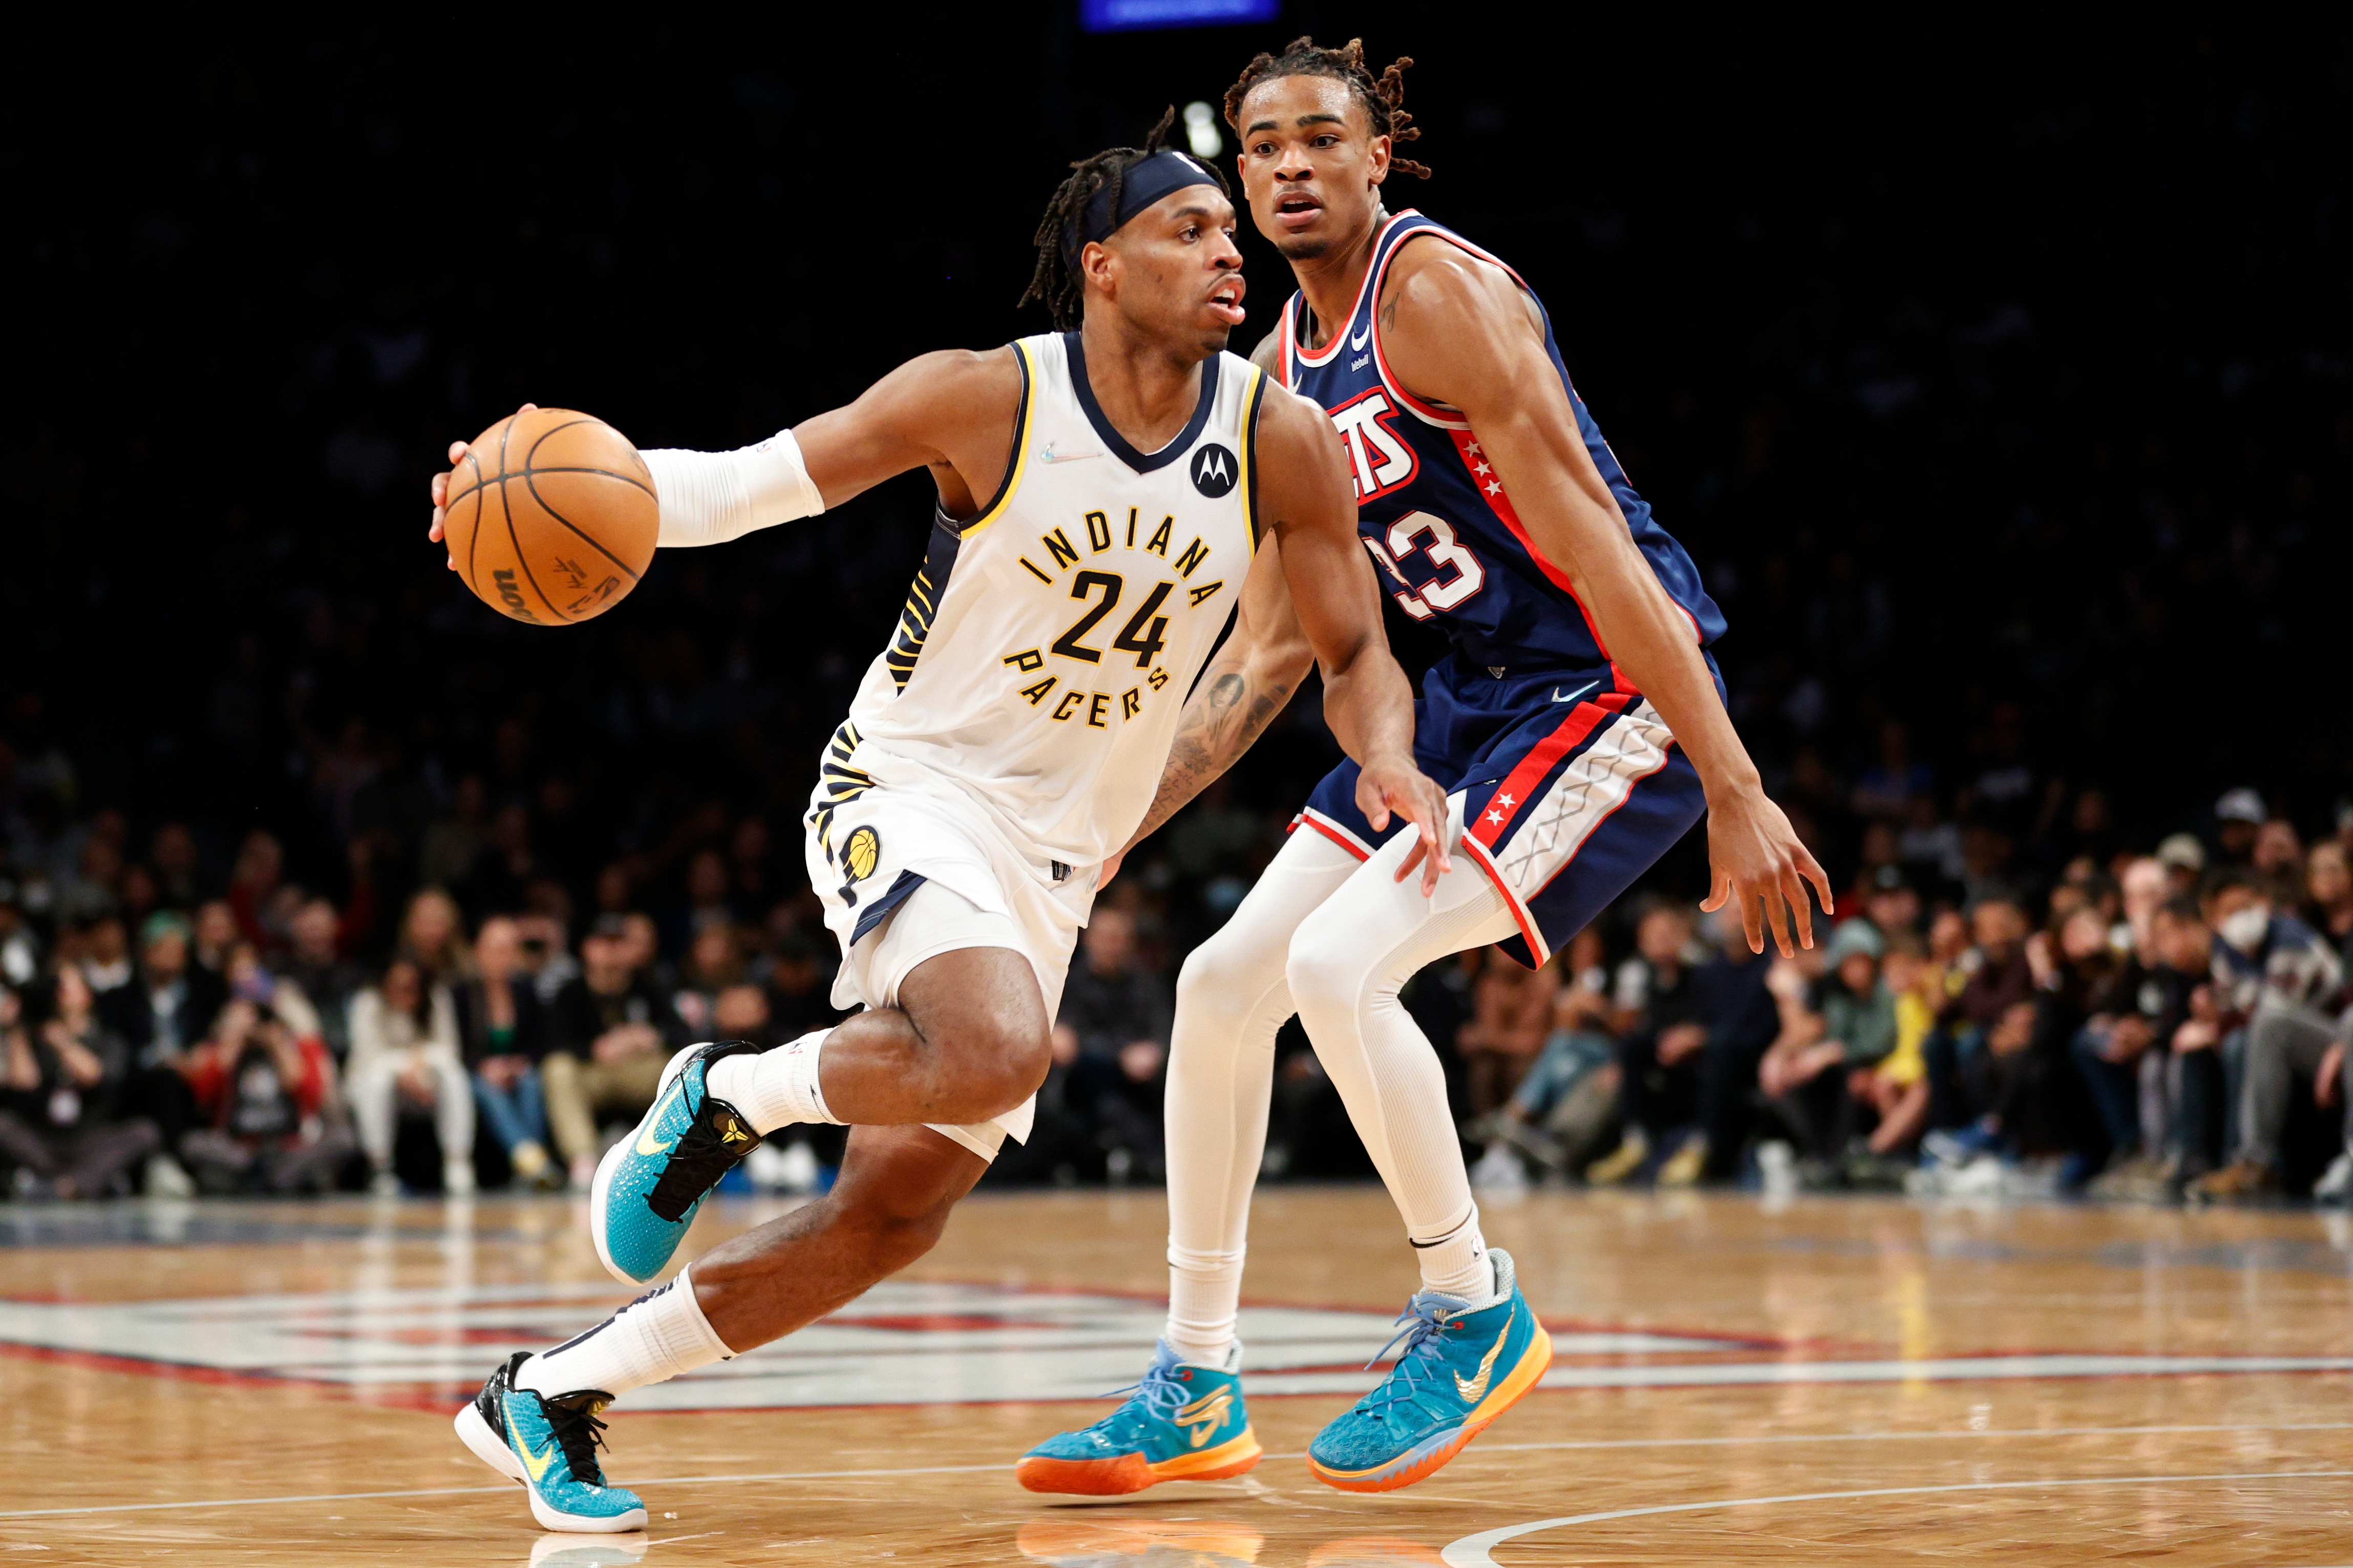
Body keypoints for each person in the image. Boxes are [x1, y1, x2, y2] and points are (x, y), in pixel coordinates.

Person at [428, 114, 1446, 1534]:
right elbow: (731, 486)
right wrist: (511, 471)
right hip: (910, 786)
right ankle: (725, 1093)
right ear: (1100, 264)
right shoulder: (983, 398)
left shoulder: (1279, 441)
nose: (1230, 250)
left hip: (1054, 859)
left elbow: (1346, 655)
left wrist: (1388, 749)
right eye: (1189, 228)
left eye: (1231, 232)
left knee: (890, 1216)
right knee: (992, 1045)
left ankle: (547, 1392)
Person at [1024, 38, 1828, 1498]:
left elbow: (1592, 535)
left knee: (1340, 966)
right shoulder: (1273, 373)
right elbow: (1271, 653)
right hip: (1464, 699)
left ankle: (1472, 1302)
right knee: (1221, 984)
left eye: (1318, 140)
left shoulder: (1437, 295)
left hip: (1604, 685)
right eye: (1260, 147)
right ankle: (1196, 1377)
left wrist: (1731, 776)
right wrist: (1105, 826)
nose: (1286, 168)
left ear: (1375, 155)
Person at [539, 923, 681, 1190]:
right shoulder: (571, 991)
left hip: (638, 1072)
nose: (611, 952)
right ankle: (583, 1160)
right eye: (603, 943)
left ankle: (674, 1160)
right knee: (557, 1068)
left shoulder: (648, 985)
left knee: (678, 1069)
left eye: (618, 943)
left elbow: (680, 1033)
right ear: (587, 949)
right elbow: (553, 1042)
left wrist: (650, 1036)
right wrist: (595, 1048)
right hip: (593, 1074)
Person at [0, 972, 158, 1199]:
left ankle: (63, 1187)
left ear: (87, 996)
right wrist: (16, 1030)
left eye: (66, 989)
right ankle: (82, 1182)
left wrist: (61, 1041)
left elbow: (93, 1075)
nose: (60, 995)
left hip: (88, 1137)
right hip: (45, 1137)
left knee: (144, 1131)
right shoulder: (35, 1036)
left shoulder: (107, 1040)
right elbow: (24, 1082)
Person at [347, 958, 474, 1195]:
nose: (404, 993)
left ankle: (457, 1160)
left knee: (454, 1074)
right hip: (378, 1088)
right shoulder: (368, 1003)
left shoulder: (436, 999)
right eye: (397, 986)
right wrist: (403, 1067)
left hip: (425, 1086)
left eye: (411, 987)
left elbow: (449, 1048)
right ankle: (380, 1166)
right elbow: (367, 1056)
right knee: (377, 1079)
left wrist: (419, 1063)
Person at [458, 916, 555, 1188]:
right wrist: (485, 1067)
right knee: (488, 1090)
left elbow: (541, 1043)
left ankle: (530, 1164)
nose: (503, 958)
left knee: (532, 1082)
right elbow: (457, 1047)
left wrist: (518, 1063)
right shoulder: (462, 994)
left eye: (510, 950)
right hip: (478, 1073)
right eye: (496, 950)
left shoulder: (526, 990)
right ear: (479, 951)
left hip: (518, 1069)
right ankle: (535, 1163)